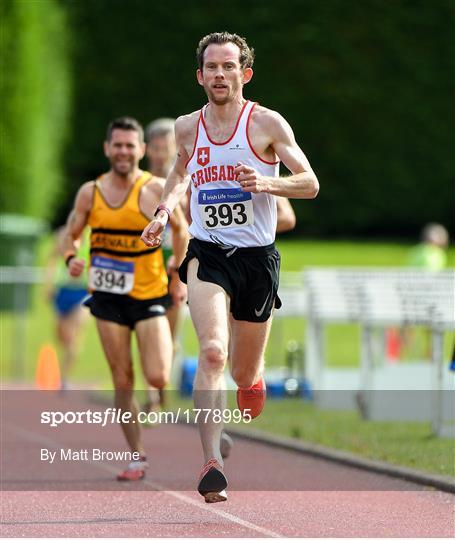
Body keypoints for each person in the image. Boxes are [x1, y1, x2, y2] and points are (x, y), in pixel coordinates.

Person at [142, 32, 318, 503]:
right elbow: (180, 172)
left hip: (258, 260)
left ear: (245, 73)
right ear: (200, 76)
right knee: (213, 352)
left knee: (240, 373)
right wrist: (163, 212)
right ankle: (211, 463)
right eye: (212, 68)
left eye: (229, 66)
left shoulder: (265, 123)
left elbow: (310, 183)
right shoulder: (187, 127)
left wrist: (265, 182)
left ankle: (253, 378)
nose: (220, 75)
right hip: (209, 253)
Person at [61, 116, 188, 481]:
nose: (123, 151)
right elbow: (71, 234)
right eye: (117, 145)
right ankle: (137, 455)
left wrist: (177, 274)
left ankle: (156, 395)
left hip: (149, 296)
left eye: (130, 145)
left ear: (141, 151)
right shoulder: (91, 192)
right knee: (122, 377)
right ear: (107, 149)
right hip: (107, 299)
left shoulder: (153, 191)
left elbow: (181, 231)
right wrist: (73, 259)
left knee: (159, 375)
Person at [43, 226, 89, 391]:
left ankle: (64, 378)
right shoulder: (63, 235)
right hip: (63, 290)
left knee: (73, 334)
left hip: (83, 292)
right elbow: (52, 259)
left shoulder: (95, 235)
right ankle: (66, 360)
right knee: (62, 336)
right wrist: (48, 284)